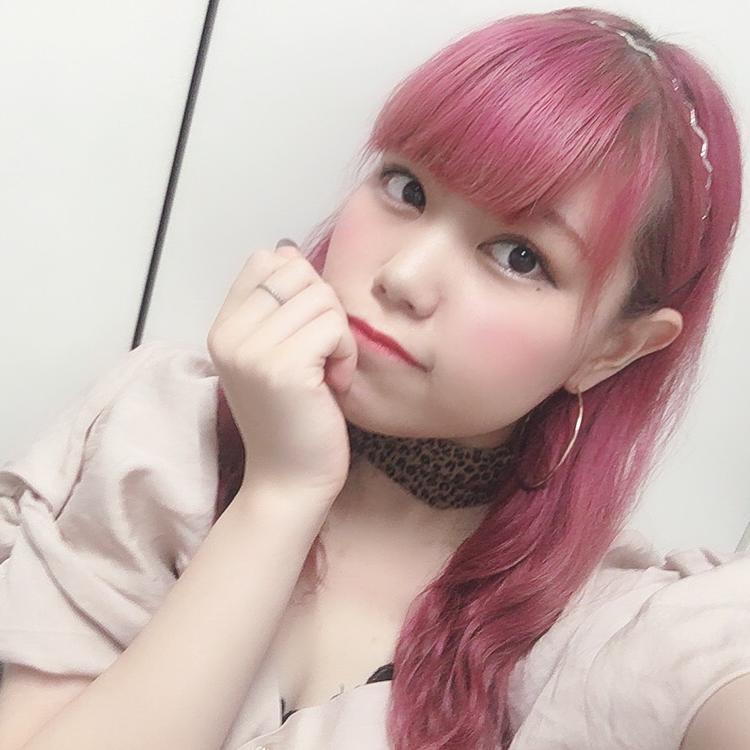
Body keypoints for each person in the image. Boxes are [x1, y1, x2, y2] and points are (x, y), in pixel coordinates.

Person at [0, 5, 747, 750]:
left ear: (613, 349)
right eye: (407, 188)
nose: (404, 276)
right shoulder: (162, 431)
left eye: (519, 257)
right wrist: (281, 491)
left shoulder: (607, 627)